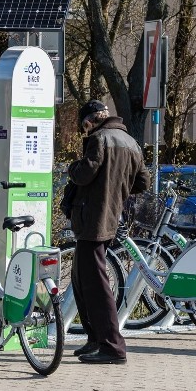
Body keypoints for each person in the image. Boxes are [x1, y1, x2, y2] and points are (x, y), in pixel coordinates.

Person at [67, 100, 150, 365]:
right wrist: (118, 191)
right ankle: (95, 339)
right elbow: (143, 181)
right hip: (109, 216)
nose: (84, 130)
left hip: (93, 218)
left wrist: (73, 168)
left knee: (96, 284)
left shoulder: (99, 139)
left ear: (89, 121)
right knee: (81, 279)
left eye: (84, 126)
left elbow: (84, 174)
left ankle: (113, 346)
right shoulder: (130, 141)